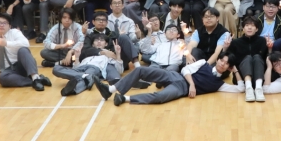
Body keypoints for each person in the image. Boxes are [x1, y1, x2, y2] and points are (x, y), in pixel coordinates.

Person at [93, 52, 243, 106]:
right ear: (218, 60)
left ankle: (125, 99)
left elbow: (240, 89)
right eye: (221, 60)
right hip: (176, 76)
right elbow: (185, 69)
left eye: (226, 64)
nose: (222, 64)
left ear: (228, 67)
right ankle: (110, 90)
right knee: (140, 70)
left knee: (161, 97)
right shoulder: (204, 63)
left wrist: (236, 71)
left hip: (180, 89)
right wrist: (192, 84)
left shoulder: (219, 84)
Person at [0, 13, 52, 91]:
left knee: (23, 50)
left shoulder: (15, 32)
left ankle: (35, 77)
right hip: (7, 71)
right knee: (2, 78)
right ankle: (36, 80)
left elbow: (26, 43)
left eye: (5, 23)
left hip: (22, 66)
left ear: (9, 26)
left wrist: (6, 43)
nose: (1, 25)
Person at [53, 33, 123, 96]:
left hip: (94, 68)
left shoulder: (109, 54)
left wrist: (118, 54)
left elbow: (119, 70)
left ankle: (74, 90)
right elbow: (76, 68)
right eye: (96, 40)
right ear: (93, 44)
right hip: (81, 68)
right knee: (56, 68)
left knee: (87, 77)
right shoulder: (88, 52)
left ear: (106, 44)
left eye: (102, 40)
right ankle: (86, 77)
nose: (99, 42)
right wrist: (77, 57)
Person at [226, 16, 269, 102]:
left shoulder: (262, 41)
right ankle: (248, 88)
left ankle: (258, 89)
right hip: (242, 78)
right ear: (243, 28)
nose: (249, 27)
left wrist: (270, 48)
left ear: (257, 29)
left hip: (259, 77)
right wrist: (225, 48)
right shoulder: (235, 42)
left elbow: (267, 59)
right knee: (248, 58)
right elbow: (229, 60)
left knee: (257, 57)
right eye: (247, 25)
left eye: (252, 25)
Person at [107, 0, 141, 68]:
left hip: (123, 51)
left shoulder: (129, 21)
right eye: (115, 3)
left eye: (119, 3)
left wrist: (137, 36)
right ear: (111, 6)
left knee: (123, 37)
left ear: (123, 6)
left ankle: (137, 65)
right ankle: (134, 64)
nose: (117, 5)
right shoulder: (105, 20)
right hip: (110, 51)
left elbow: (132, 39)